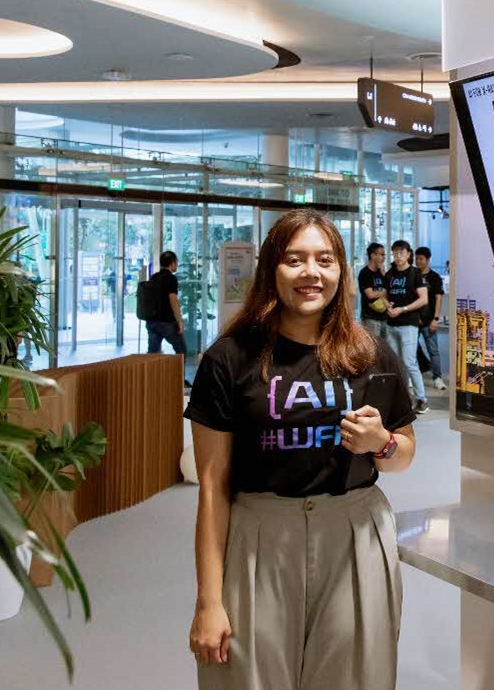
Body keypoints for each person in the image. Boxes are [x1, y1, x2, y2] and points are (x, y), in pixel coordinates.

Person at [185, 210, 417, 690]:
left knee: (355, 676)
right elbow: (212, 486)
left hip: (353, 533)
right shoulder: (230, 358)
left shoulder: (369, 353)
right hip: (260, 538)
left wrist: (382, 443)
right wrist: (209, 599)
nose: (311, 272)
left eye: (324, 260)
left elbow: (404, 454)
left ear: (340, 272)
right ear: (272, 269)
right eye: (295, 259)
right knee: (249, 676)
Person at [383, 239, 428, 413]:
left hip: (408, 324)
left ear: (409, 254)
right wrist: (387, 305)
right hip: (391, 323)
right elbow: (385, 296)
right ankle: (403, 398)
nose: (398, 256)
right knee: (396, 363)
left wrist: (403, 309)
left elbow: (423, 299)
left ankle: (422, 399)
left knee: (409, 362)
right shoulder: (390, 274)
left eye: (401, 252)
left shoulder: (415, 273)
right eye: (395, 253)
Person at [414, 246, 446, 391]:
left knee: (433, 350)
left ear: (428, 260)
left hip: (429, 320)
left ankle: (437, 377)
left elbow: (438, 298)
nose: (418, 262)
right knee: (411, 349)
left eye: (421, 259)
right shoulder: (413, 275)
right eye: (417, 258)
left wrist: (436, 318)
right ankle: (414, 375)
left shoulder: (435, 277)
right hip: (413, 320)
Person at [147, 250, 186, 355]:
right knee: (181, 349)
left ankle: (151, 372)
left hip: (152, 321)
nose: (177, 264)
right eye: (176, 262)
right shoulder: (170, 278)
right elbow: (173, 299)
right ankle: (178, 371)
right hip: (166, 322)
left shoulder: (154, 277)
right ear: (172, 262)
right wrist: (180, 321)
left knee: (153, 353)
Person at [357, 242, 388, 340]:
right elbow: (370, 294)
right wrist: (383, 292)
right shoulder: (364, 273)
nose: (384, 257)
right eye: (382, 254)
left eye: (384, 255)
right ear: (373, 255)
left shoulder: (381, 272)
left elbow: (389, 290)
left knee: (386, 348)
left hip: (385, 316)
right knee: (373, 348)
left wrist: (384, 274)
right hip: (370, 317)